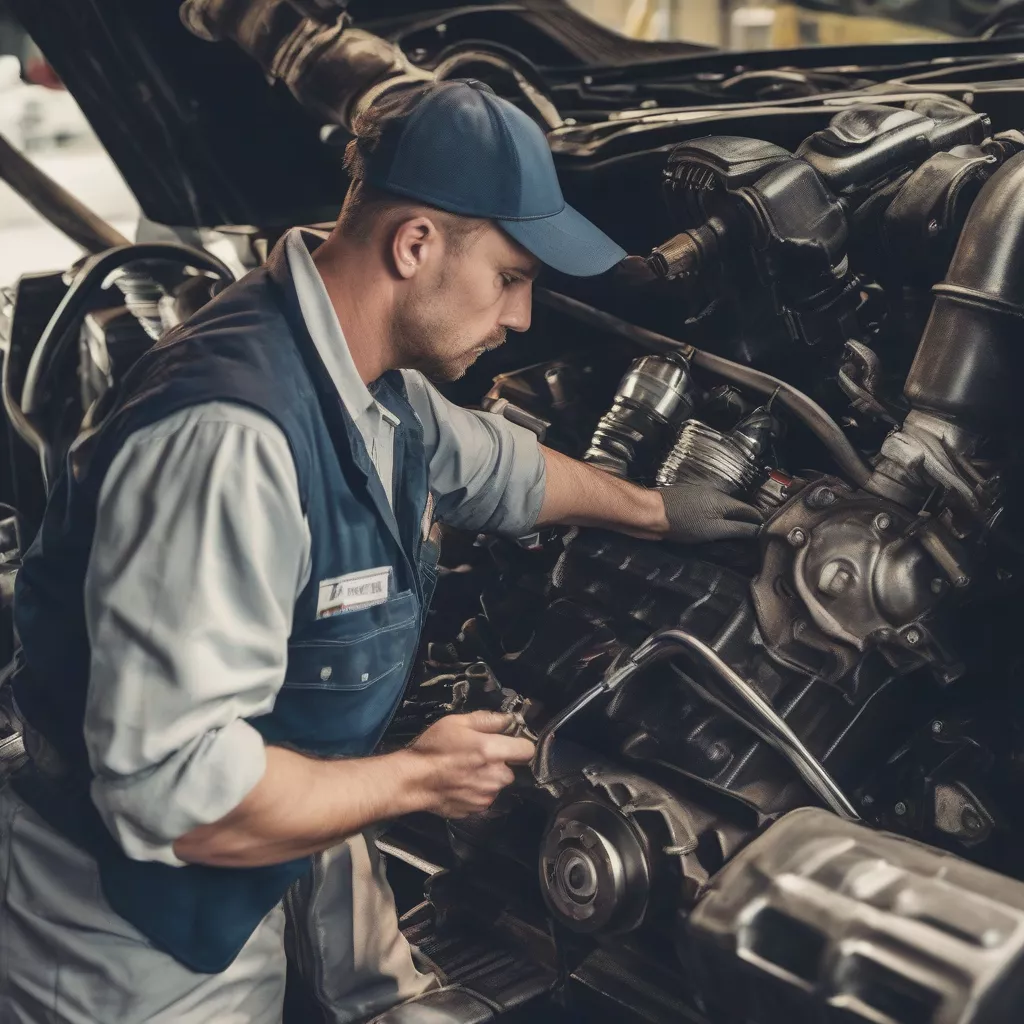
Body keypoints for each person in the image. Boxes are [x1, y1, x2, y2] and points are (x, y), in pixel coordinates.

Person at [1, 79, 761, 1023]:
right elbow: (175, 796)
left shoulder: (361, 377)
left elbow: (498, 468)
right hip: (133, 926)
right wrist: (420, 777)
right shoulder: (231, 439)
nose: (522, 318)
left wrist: (655, 512)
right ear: (414, 246)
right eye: (512, 278)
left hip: (287, 835)